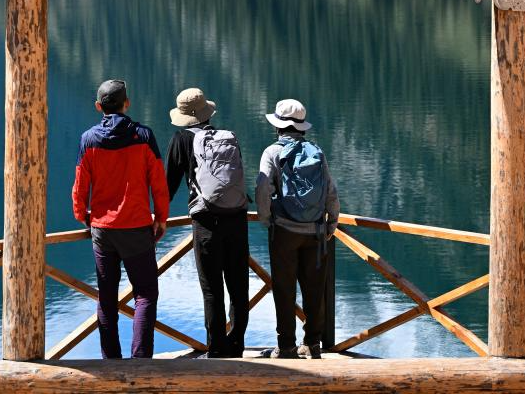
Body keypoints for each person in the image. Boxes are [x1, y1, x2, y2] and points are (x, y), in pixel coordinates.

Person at [72, 79, 170, 359]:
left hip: (102, 230)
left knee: (106, 297)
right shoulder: (144, 136)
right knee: (145, 294)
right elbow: (158, 183)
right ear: (127, 104)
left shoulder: (88, 139)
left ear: (98, 106)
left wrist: (82, 214)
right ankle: (141, 361)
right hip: (137, 227)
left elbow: (80, 184)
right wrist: (161, 217)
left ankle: (111, 362)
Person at [165, 87, 249, 357]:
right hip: (237, 217)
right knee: (238, 285)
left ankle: (216, 349)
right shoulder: (227, 136)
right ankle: (237, 344)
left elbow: (168, 186)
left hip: (206, 222)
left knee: (212, 289)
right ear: (206, 112)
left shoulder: (181, 139)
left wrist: (157, 217)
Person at [256, 98, 340, 360]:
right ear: (302, 126)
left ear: (278, 126)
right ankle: (313, 344)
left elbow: (263, 188)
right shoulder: (317, 152)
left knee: (284, 290)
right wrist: (332, 223)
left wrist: (266, 219)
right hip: (315, 232)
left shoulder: (272, 152)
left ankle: (287, 347)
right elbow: (331, 190)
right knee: (314, 289)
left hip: (284, 231)